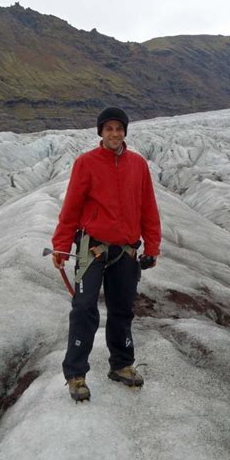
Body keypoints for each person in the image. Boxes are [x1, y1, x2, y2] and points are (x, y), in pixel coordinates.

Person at [52, 106, 161, 402]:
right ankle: (76, 373)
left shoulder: (138, 165)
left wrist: (152, 247)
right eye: (108, 128)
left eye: (119, 128)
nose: (114, 133)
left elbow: (148, 208)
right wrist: (61, 244)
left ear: (125, 131)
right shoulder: (86, 163)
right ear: (100, 132)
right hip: (93, 248)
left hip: (126, 251)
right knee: (84, 308)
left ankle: (122, 365)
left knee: (122, 309)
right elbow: (72, 207)